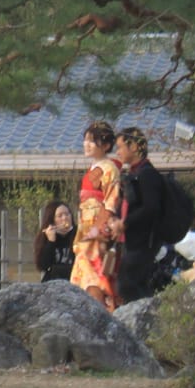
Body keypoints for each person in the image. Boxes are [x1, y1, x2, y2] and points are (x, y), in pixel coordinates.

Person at [112, 125, 168, 306]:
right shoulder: (133, 174)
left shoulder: (147, 174)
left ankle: (146, 321)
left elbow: (151, 208)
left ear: (134, 147)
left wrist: (125, 223)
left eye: (120, 147)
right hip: (132, 241)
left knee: (127, 284)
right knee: (131, 284)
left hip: (145, 241)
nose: (117, 151)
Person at [74, 121, 121, 309]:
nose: (86, 144)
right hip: (86, 225)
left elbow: (111, 200)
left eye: (92, 141)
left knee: (95, 273)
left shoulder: (110, 168)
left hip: (97, 226)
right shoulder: (94, 168)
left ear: (106, 145)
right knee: (86, 272)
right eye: (85, 140)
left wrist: (99, 228)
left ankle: (99, 311)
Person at [34, 200, 76, 282]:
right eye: (60, 216)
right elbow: (43, 266)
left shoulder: (78, 234)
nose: (65, 218)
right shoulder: (47, 236)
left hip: (73, 278)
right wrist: (51, 241)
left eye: (67, 214)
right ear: (52, 220)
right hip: (53, 280)